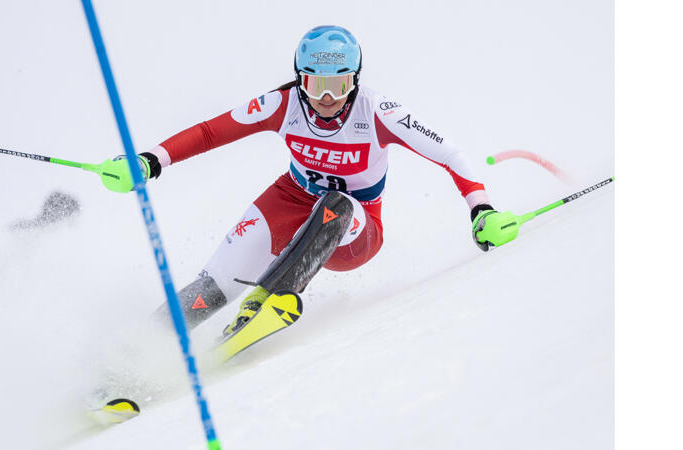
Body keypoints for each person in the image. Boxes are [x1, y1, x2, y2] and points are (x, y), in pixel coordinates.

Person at [128, 25, 509, 337]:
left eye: (339, 85)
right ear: (299, 81)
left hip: (355, 231)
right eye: (314, 85)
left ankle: (269, 296)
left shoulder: (378, 111)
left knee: (336, 204)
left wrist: (482, 209)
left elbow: (450, 154)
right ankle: (138, 355)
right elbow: (213, 131)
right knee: (214, 280)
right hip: (293, 199)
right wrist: (150, 161)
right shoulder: (283, 103)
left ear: (355, 82)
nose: (326, 98)